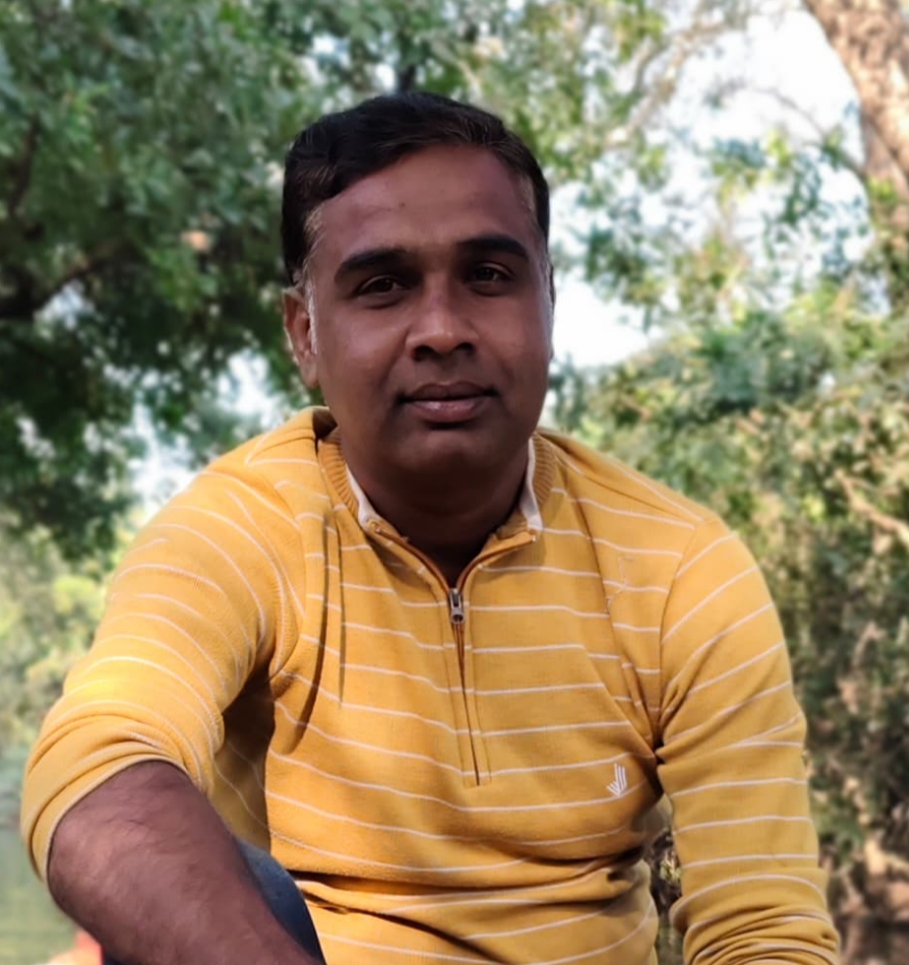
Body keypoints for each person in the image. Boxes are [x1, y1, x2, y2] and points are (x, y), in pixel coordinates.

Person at [22, 92, 840, 965]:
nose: (442, 331)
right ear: (304, 334)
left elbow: (764, 931)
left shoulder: (679, 568)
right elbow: (96, 771)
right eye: (382, 286)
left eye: (487, 276)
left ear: (547, 301)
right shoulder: (239, 530)